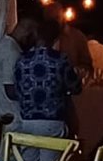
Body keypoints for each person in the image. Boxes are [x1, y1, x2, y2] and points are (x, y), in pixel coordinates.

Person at [12, 14, 82, 149]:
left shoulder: (22, 60)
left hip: (27, 121)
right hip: (52, 122)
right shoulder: (60, 60)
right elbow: (75, 88)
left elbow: (17, 88)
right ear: (56, 38)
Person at [0, 17, 36, 129]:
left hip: (0, 114)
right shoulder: (12, 52)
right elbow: (10, 89)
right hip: (13, 119)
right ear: (27, 33)